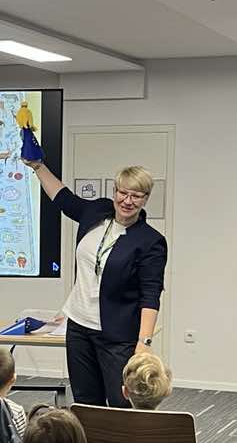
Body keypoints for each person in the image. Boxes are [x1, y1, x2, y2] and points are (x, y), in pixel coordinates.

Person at [22, 159, 167, 407]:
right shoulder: (97, 212)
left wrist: (144, 343)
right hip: (78, 326)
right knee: (86, 401)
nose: (127, 201)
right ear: (115, 191)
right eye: (123, 193)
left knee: (121, 402)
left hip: (117, 335)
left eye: (136, 196)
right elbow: (63, 198)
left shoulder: (150, 241)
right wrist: (38, 166)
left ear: (146, 199)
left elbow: (151, 295)